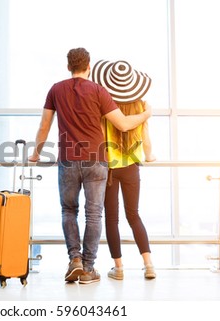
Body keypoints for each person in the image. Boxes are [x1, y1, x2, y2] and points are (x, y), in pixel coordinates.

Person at [28, 48, 151, 284]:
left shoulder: (56, 89)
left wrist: (35, 154)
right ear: (89, 66)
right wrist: (145, 116)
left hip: (68, 159)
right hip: (96, 160)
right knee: (94, 214)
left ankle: (74, 259)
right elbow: (124, 124)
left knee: (68, 211)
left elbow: (44, 125)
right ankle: (88, 269)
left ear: (68, 67)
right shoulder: (98, 90)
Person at [92, 59, 156, 280]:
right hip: (131, 168)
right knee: (134, 215)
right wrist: (149, 156)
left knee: (111, 219)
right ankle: (148, 265)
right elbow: (146, 139)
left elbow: (100, 135)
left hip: (109, 169)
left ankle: (118, 268)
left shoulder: (104, 105)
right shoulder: (140, 107)